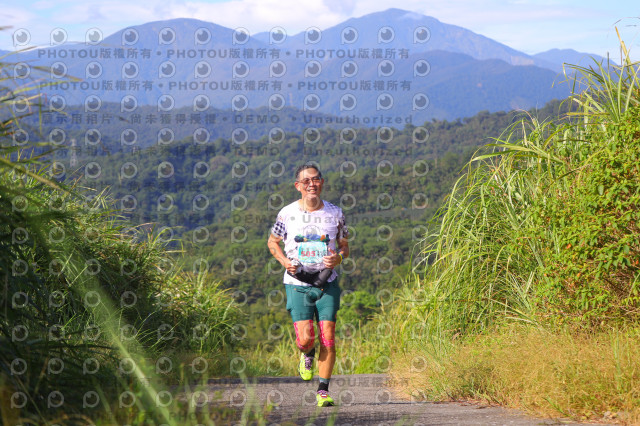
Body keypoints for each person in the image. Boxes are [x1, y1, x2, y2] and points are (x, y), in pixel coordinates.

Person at [267, 163, 349, 407]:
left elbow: (344, 246)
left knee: (328, 337)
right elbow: (272, 242)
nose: (312, 184)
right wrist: (284, 261)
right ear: (298, 186)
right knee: (305, 339)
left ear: (322, 182)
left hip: (327, 281)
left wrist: (339, 258)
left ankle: (323, 390)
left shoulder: (335, 213)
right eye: (306, 181)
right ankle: (307, 353)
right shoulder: (286, 213)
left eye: (316, 179)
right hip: (297, 282)